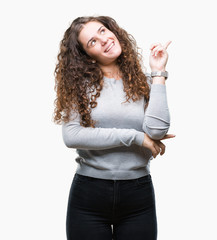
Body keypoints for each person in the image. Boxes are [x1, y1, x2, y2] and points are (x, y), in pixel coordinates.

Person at [53, 16, 174, 240]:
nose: (104, 39)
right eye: (92, 42)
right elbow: (71, 136)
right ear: (87, 55)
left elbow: (156, 131)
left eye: (103, 31)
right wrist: (136, 138)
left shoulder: (143, 82)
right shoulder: (78, 85)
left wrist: (158, 73)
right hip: (89, 196)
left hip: (138, 195)